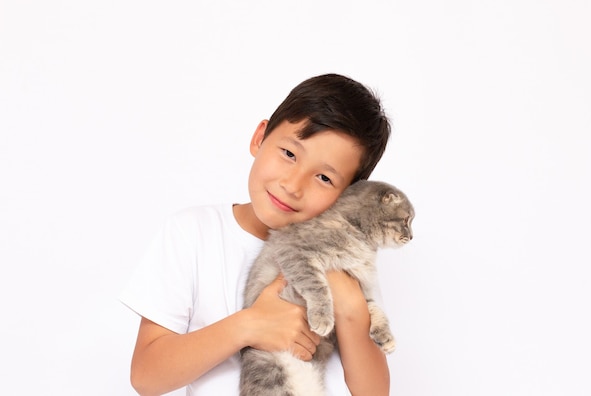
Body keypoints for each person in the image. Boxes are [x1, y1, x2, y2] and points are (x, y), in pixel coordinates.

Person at [120, 73, 392, 395]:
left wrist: (349, 302)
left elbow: (373, 391)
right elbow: (147, 376)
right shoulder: (193, 232)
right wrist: (250, 325)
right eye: (289, 154)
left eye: (323, 177)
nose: (292, 186)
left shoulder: (341, 258)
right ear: (259, 137)